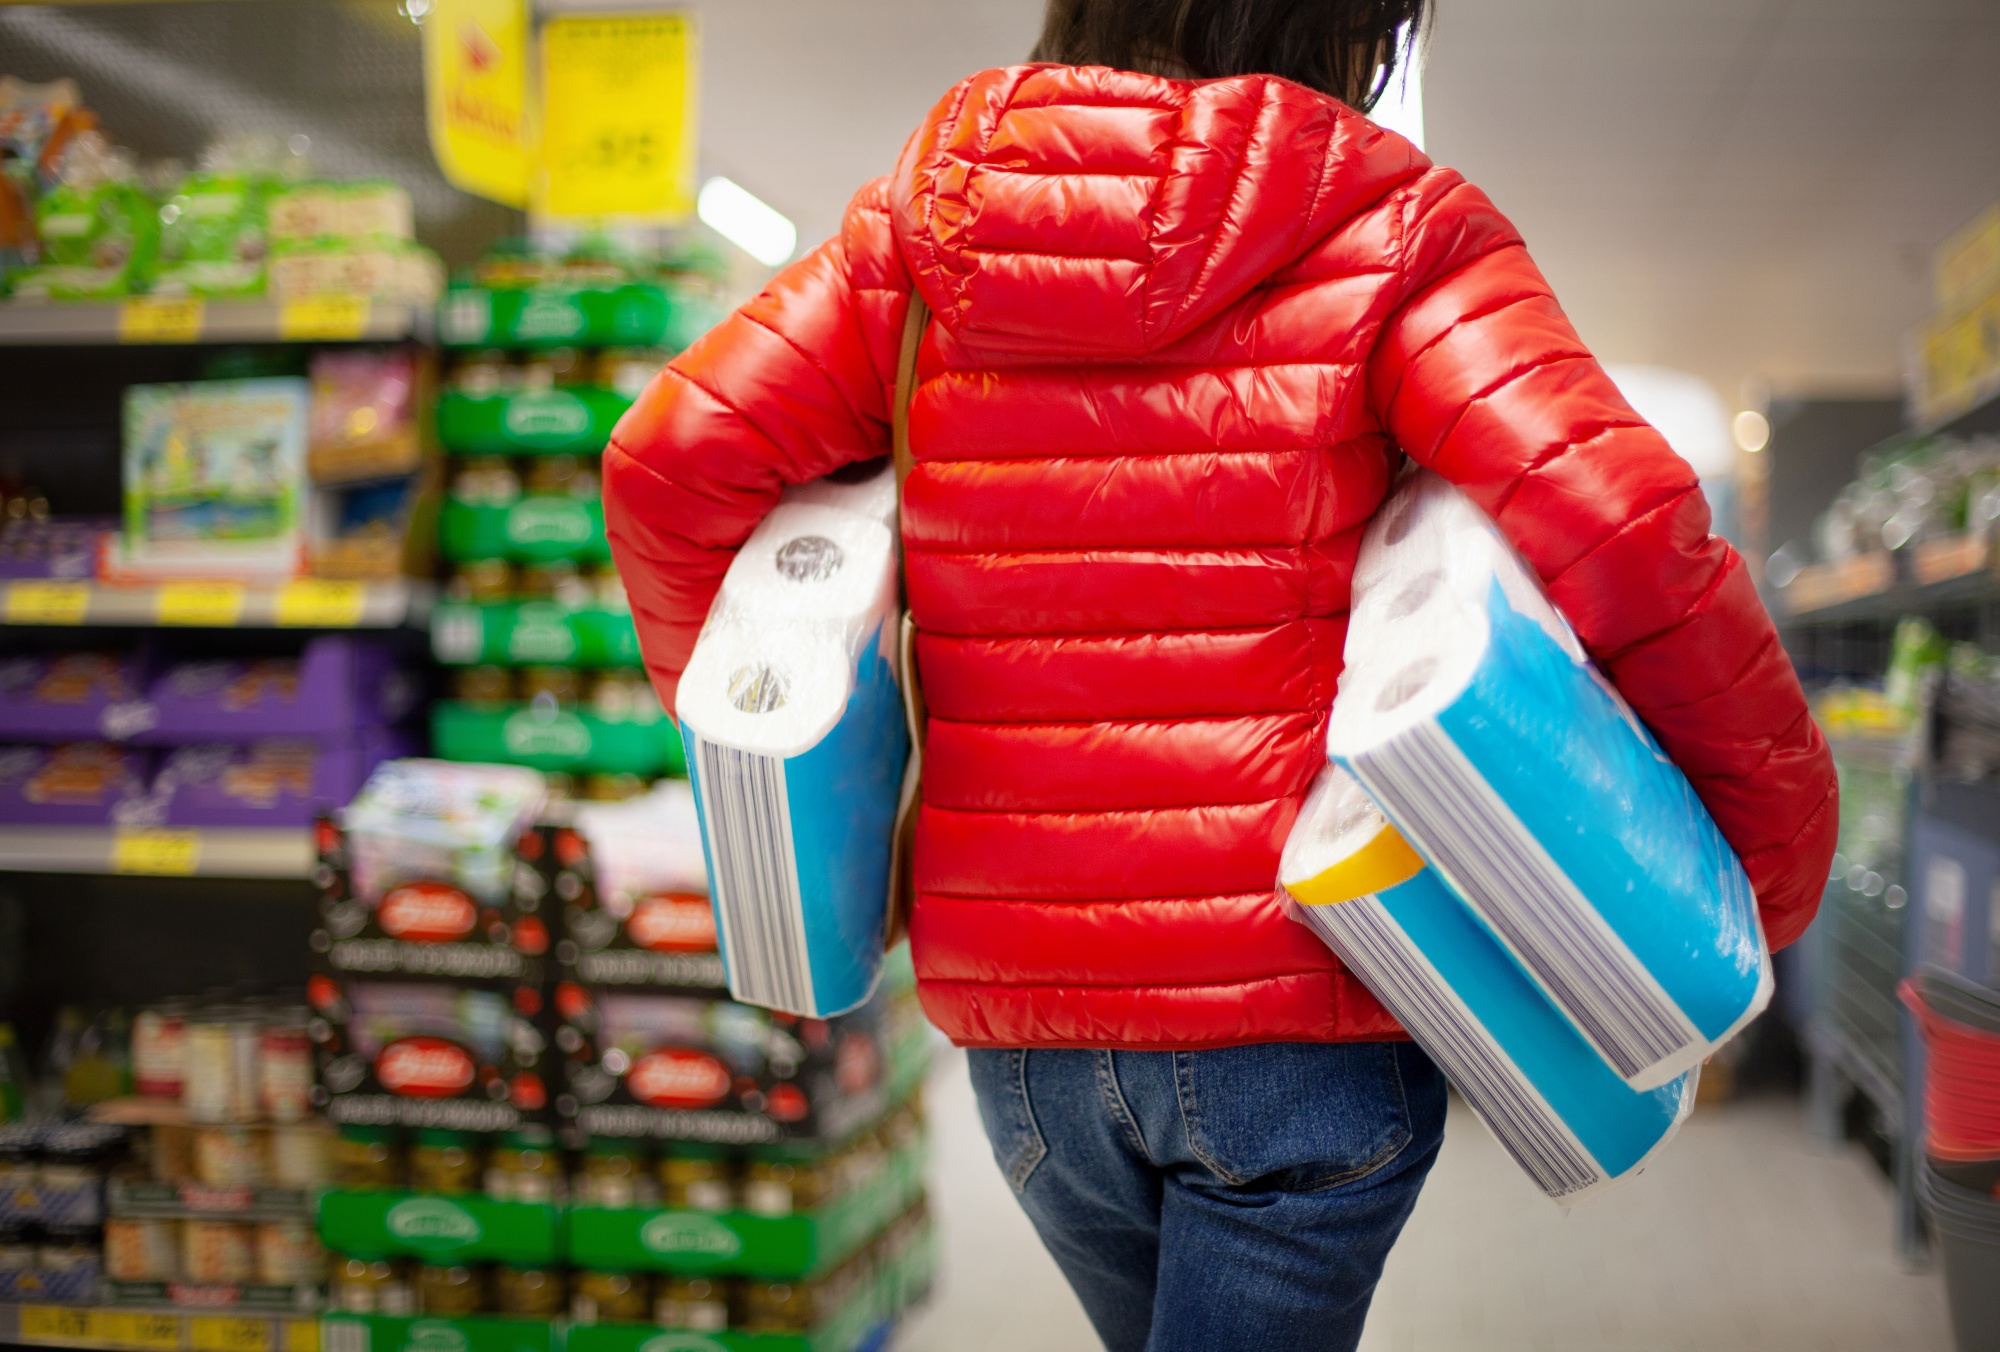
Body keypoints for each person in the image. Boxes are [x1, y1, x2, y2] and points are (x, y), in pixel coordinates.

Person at [604, 2, 1839, 1347]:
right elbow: (1620, 521)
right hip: (1300, 1010)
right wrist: (1760, 872)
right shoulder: (1393, 230)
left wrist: (780, 770)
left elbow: (672, 464)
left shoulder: (918, 239)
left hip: (1030, 1041)